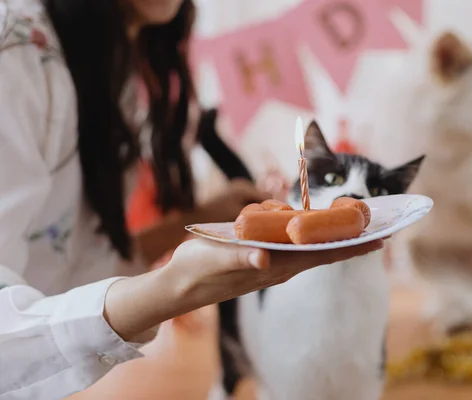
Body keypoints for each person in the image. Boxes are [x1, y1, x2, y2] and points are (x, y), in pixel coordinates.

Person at [0, 0, 384, 398]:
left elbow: (74, 264)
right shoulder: (13, 51)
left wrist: (197, 223)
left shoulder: (127, 66)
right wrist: (175, 287)